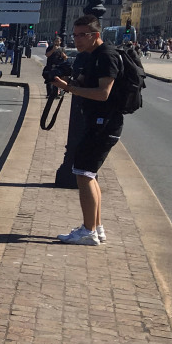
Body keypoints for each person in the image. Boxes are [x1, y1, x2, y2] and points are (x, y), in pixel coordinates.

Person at [50, 14, 121, 245]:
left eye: (83, 35)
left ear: (96, 35)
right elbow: (83, 83)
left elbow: (103, 93)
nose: (77, 39)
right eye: (75, 34)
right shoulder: (90, 56)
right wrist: (61, 79)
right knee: (88, 174)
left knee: (82, 173)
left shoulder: (106, 56)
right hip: (97, 121)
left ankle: (89, 231)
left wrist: (68, 88)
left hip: (105, 122)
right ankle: (96, 227)